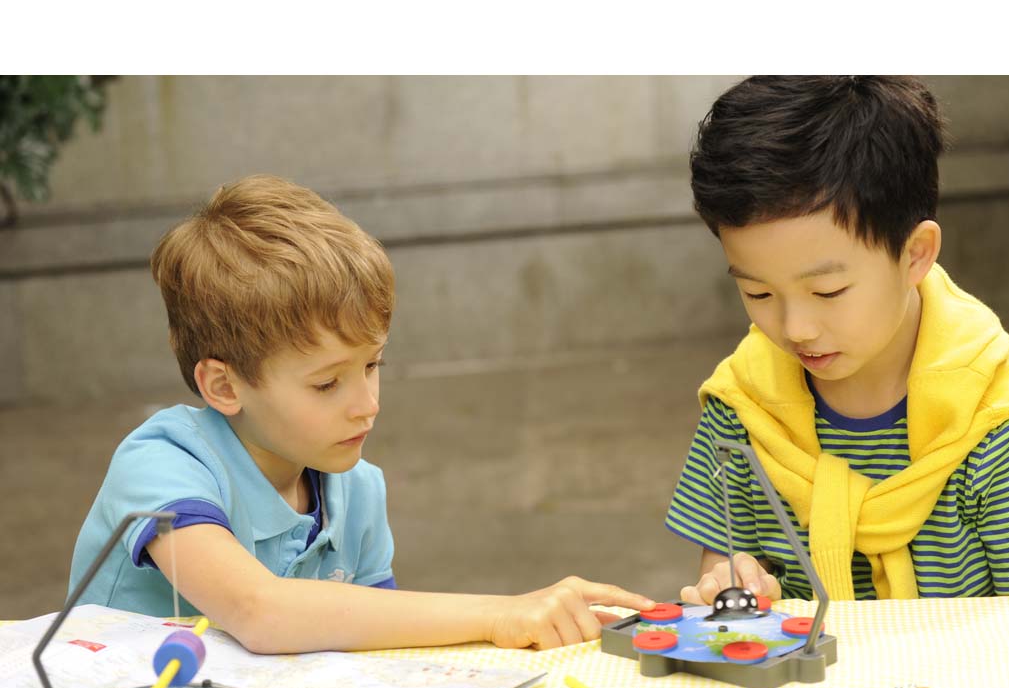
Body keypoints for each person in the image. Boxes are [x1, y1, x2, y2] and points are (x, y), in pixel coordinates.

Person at [69, 175, 655, 653]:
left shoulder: (357, 490)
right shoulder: (161, 466)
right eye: (327, 383)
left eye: (373, 365)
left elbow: (381, 645)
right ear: (224, 385)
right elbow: (258, 610)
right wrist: (501, 613)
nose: (368, 404)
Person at [666, 76, 1009, 605]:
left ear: (915, 254)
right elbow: (723, 582)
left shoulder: (1002, 435)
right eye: (758, 293)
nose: (796, 328)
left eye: (828, 291)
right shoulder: (743, 411)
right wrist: (735, 587)